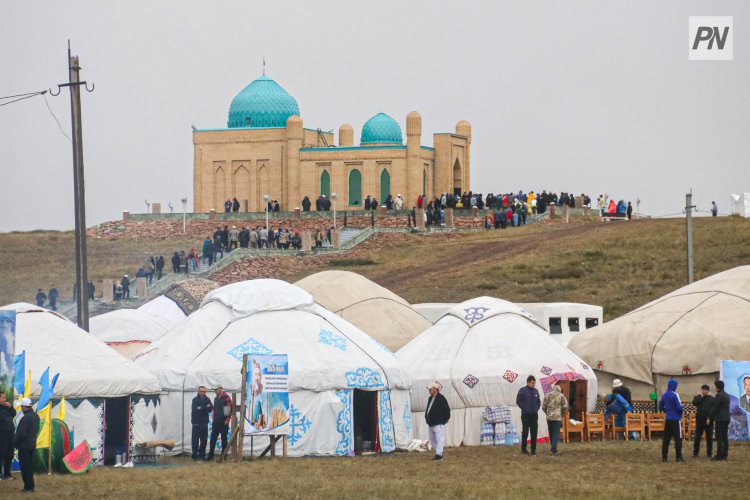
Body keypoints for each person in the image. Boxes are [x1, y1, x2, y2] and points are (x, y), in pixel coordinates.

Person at [14, 398, 39, 493]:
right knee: (29, 467)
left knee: (25, 468)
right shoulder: (36, 416)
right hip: (32, 444)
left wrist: (15, 443)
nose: (20, 407)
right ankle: (31, 486)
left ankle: (28, 487)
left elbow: (21, 434)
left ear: (24, 407)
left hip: (24, 446)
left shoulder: (25, 418)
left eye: (21, 406)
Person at [658, 379, 684, 462]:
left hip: (668, 419)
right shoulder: (675, 395)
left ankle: (664, 457)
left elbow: (660, 406)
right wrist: (680, 412)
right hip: (676, 419)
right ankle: (678, 457)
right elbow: (679, 407)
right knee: (678, 439)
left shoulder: (664, 395)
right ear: (675, 386)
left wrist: (666, 411)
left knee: (666, 438)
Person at [516, 375, 541, 455]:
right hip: (525, 415)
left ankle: (533, 450)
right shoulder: (522, 390)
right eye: (532, 383)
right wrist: (525, 409)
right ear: (528, 382)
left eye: (534, 383)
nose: (533, 384)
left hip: (534, 415)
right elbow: (518, 401)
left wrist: (536, 408)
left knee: (534, 432)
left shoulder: (536, 391)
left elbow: (538, 402)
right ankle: (523, 449)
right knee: (525, 432)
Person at [424, 382, 450, 461]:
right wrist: (426, 417)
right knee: (432, 439)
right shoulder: (430, 398)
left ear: (435, 389)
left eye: (430, 389)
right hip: (431, 422)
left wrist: (444, 420)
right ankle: (439, 452)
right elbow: (428, 409)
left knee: (439, 439)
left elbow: (447, 410)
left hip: (439, 423)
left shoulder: (441, 398)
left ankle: (439, 455)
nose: (429, 390)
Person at [206, 387, 232, 461]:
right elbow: (214, 410)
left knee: (224, 440)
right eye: (214, 390)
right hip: (216, 422)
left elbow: (228, 411)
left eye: (216, 390)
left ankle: (223, 456)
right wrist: (213, 419)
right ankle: (210, 456)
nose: (215, 391)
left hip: (223, 422)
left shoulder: (227, 398)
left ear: (220, 389)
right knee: (212, 440)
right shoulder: (216, 399)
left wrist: (227, 420)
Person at [542, 384, 567, 456]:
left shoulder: (547, 395)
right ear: (559, 389)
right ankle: (553, 450)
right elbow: (565, 406)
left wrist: (547, 413)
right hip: (557, 417)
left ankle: (553, 449)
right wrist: (562, 414)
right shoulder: (561, 396)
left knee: (551, 433)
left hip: (549, 417)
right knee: (556, 433)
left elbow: (543, 406)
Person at [709, 380, 730, 461]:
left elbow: (714, 407)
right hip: (727, 418)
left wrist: (709, 417)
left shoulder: (719, 396)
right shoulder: (727, 395)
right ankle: (725, 455)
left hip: (720, 419)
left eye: (715, 386)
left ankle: (719, 456)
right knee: (725, 437)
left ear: (718, 387)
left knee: (719, 438)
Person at [692, 384, 714, 458]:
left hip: (708, 421)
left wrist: (710, 418)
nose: (704, 391)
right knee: (697, 438)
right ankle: (695, 453)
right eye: (703, 389)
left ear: (708, 391)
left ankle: (709, 454)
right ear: (701, 390)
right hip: (699, 421)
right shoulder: (697, 397)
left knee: (709, 438)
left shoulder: (711, 399)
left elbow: (713, 410)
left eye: (706, 390)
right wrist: (700, 397)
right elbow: (694, 403)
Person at [191, 386, 213, 461]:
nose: (203, 393)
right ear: (198, 391)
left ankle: (202, 455)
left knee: (204, 441)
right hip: (196, 423)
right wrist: (205, 407)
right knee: (195, 440)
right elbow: (195, 410)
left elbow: (210, 409)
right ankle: (195, 455)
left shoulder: (207, 399)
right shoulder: (195, 399)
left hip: (204, 423)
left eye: (204, 392)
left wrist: (200, 408)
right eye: (201, 391)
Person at [0, 392, 17, 480]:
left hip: (10, 435)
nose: (5, 400)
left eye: (5, 398)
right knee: (1, 454)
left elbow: (14, 414)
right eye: (3, 398)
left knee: (9, 455)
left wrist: (11, 407)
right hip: (2, 436)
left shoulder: (7, 407)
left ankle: (7, 474)